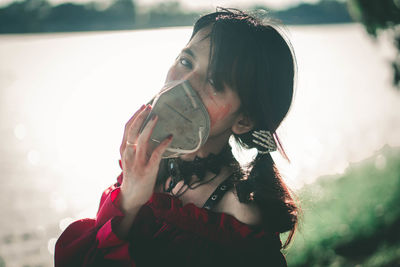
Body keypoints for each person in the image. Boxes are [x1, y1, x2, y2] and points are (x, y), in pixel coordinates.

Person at [55, 8, 298, 267]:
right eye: (186, 62)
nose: (185, 83)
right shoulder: (150, 166)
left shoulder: (237, 216)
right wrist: (129, 196)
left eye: (215, 82)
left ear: (244, 120)